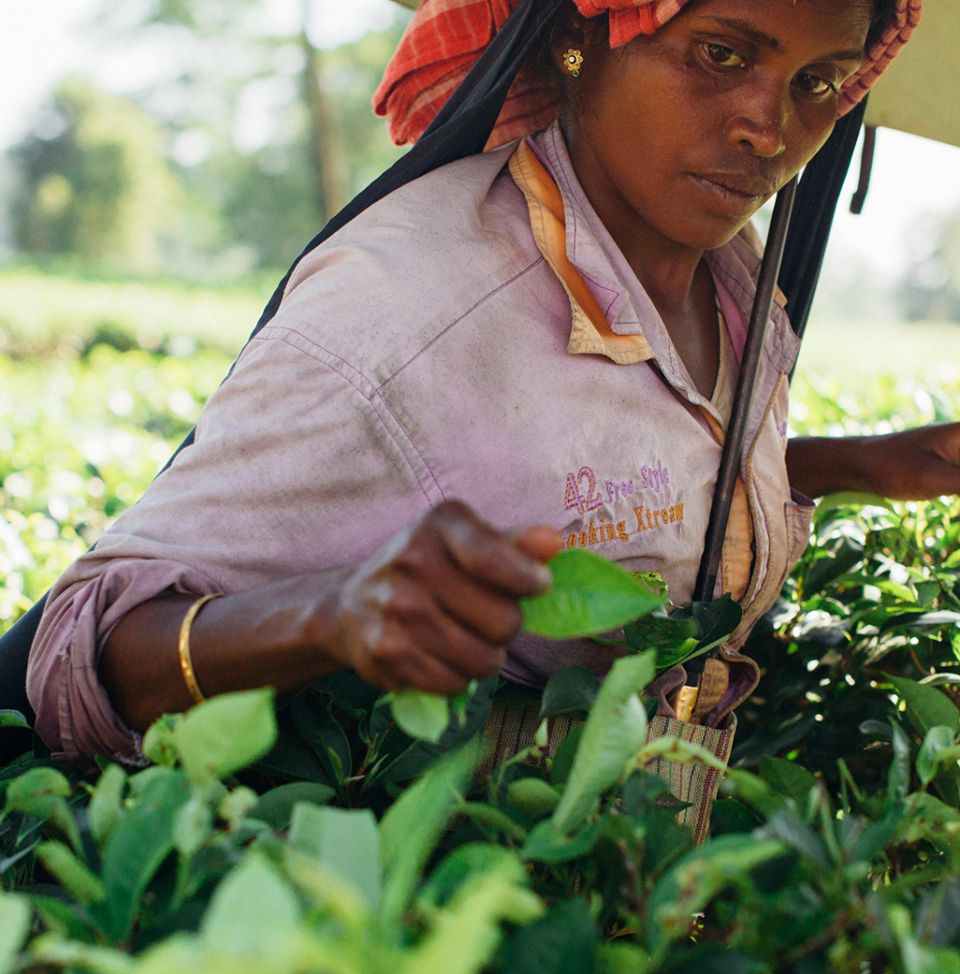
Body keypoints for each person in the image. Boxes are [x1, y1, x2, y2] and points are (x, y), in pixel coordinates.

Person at [25, 0, 955, 833]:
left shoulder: (732, 276)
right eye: (721, 54)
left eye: (817, 82)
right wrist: (331, 615)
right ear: (578, 33)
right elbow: (81, 649)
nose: (771, 127)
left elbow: (614, 474)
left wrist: (851, 466)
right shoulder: (409, 307)